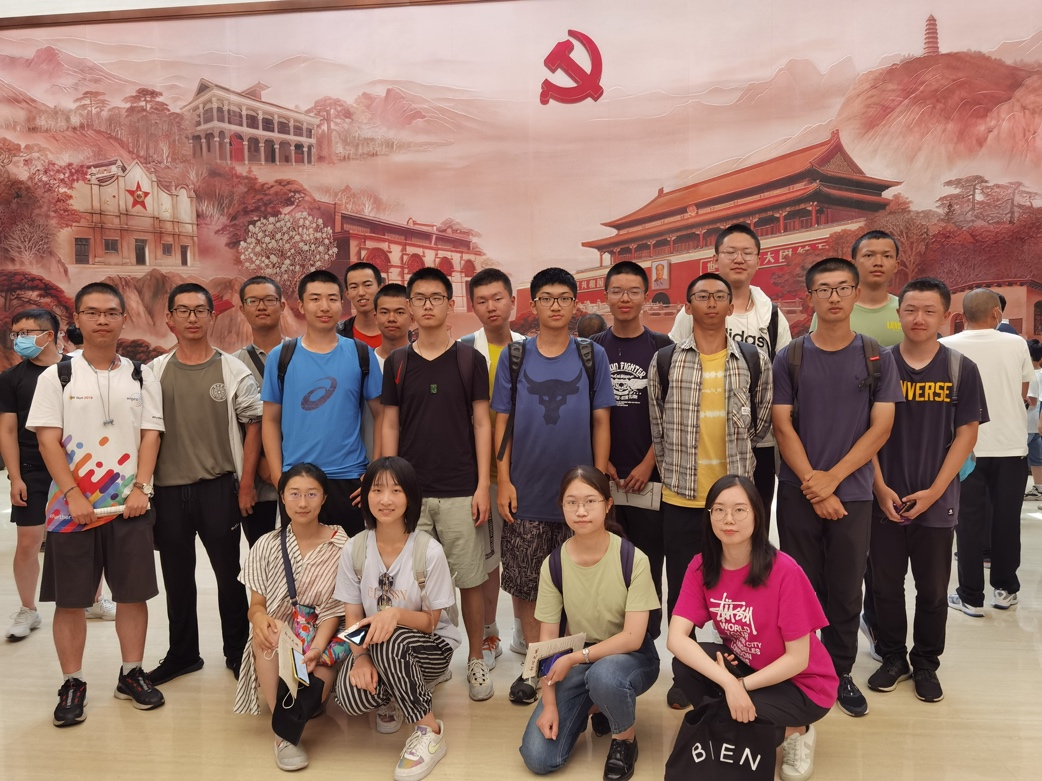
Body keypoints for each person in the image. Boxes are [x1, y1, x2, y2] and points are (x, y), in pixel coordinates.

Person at [26, 282, 165, 726]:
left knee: (133, 595)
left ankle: (131, 673)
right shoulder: (57, 376)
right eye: (92, 312)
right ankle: (73, 682)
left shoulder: (142, 375)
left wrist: (141, 487)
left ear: (123, 318)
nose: (102, 320)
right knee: (70, 601)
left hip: (130, 507)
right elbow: (47, 441)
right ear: (78, 319)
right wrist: (72, 494)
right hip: (71, 511)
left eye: (110, 312)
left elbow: (150, 435)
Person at [772, 258, 903, 718]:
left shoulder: (876, 355)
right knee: (799, 587)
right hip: (798, 492)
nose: (834, 297)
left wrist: (833, 480)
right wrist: (816, 485)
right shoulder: (790, 356)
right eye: (824, 289)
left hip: (855, 494)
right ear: (810, 297)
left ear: (856, 293)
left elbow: (881, 427)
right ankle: (804, 668)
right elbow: (782, 426)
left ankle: (840, 670)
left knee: (847, 589)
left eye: (843, 287)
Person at [649, 272, 772, 709]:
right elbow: (657, 428)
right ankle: (685, 677)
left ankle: (741, 671)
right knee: (684, 593)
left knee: (739, 592)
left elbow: (760, 424)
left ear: (730, 305)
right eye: (703, 296)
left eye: (720, 296)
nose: (713, 302)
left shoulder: (753, 360)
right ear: (688, 305)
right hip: (682, 498)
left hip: (734, 504)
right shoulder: (666, 360)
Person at [492, 267, 615, 705]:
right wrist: (503, 480)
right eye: (547, 298)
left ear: (575, 303)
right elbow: (501, 423)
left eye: (564, 297)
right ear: (535, 305)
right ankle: (534, 667)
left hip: (579, 497)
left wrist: (598, 486)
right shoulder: (514, 357)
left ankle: (572, 669)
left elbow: (602, 420)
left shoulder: (591, 355)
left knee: (580, 587)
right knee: (528, 585)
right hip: (526, 491)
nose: (556, 305)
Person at [668, 475, 837, 781]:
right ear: (709, 516)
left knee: (732, 718)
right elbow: (676, 639)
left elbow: (798, 659)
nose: (728, 519)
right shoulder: (701, 566)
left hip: (803, 685)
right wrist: (730, 684)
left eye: (739, 510)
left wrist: (740, 687)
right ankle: (735, 721)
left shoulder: (785, 571)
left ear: (757, 515)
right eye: (719, 510)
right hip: (748, 667)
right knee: (685, 666)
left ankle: (796, 731)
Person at [868, 278, 987, 704]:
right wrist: (879, 486)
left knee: (933, 590)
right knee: (884, 586)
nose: (919, 318)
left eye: (929, 311)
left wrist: (936, 491)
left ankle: (925, 663)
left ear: (945, 316)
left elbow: (966, 434)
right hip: (884, 498)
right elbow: (865, 433)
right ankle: (893, 657)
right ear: (898, 314)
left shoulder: (960, 368)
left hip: (937, 502)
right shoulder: (879, 366)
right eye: (911, 309)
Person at [382, 267, 494, 701]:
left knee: (470, 579)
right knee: (415, 583)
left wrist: (482, 485)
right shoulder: (397, 362)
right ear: (409, 307)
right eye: (419, 298)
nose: (427, 305)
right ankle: (431, 658)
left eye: (436, 298)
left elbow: (482, 423)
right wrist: (387, 483)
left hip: (461, 489)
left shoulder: (469, 360)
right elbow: (390, 424)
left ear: (450, 305)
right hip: (410, 494)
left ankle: (476, 659)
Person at [146, 283, 261, 685]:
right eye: (183, 310)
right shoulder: (153, 373)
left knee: (229, 577)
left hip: (218, 488)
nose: (192, 318)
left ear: (213, 316)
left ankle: (238, 652)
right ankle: (183, 655)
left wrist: (246, 484)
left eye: (200, 310)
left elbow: (253, 425)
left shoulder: (232, 370)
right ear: (170, 319)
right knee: (177, 579)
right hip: (168, 491)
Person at [519, 466, 659, 781]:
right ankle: (595, 706)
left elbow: (633, 637)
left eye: (590, 501)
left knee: (604, 675)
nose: (581, 511)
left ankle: (625, 740)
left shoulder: (633, 559)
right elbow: (548, 643)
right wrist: (549, 704)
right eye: (572, 502)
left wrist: (574, 658)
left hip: (631, 657)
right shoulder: (553, 564)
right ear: (562, 507)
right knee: (538, 757)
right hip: (582, 657)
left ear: (608, 504)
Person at [334, 457, 460, 781]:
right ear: (365, 496)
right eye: (377, 490)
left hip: (430, 647)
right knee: (348, 695)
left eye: (396, 490)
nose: (385, 499)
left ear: (410, 497)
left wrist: (395, 614)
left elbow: (431, 623)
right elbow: (353, 615)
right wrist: (360, 659)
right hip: (377, 645)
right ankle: (401, 689)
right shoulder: (354, 549)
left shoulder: (428, 550)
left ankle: (429, 731)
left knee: (390, 639)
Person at [667, 224, 792, 516]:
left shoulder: (772, 316)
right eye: (730, 252)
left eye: (747, 253)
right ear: (715, 259)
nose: (739, 259)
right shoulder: (691, 312)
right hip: (698, 440)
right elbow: (672, 366)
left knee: (749, 520)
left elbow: (782, 377)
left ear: (758, 259)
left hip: (756, 443)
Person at [234, 462, 347, 772]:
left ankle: (308, 702)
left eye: (312, 494)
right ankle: (283, 734)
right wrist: (259, 619)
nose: (303, 502)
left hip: (324, 636)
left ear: (324, 498)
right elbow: (256, 606)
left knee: (315, 689)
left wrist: (317, 647)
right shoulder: (267, 544)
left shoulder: (342, 545)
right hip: (283, 638)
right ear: (282, 497)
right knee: (267, 633)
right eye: (294, 494)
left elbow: (335, 612)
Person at [262, 270, 384, 535]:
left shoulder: (361, 354)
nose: (324, 306)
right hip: (297, 480)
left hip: (349, 479)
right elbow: (269, 420)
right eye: (315, 299)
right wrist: (279, 476)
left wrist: (374, 472)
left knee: (350, 558)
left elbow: (382, 416)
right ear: (301, 305)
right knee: (300, 559)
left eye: (332, 298)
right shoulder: (281, 357)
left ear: (342, 303)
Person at [590, 261, 671, 639]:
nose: (625, 298)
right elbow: (586, 413)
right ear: (606, 296)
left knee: (648, 561)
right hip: (602, 477)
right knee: (604, 560)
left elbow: (672, 413)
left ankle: (646, 639)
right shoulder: (592, 349)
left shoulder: (663, 348)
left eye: (634, 291)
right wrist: (601, 462)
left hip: (648, 478)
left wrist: (647, 463)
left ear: (645, 296)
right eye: (617, 291)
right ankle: (607, 635)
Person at [940, 288, 1033, 615]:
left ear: (963, 315)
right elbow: (1023, 392)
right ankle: (1005, 589)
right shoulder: (1016, 343)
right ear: (996, 313)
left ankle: (970, 595)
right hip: (1011, 445)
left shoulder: (946, 346)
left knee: (967, 522)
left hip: (964, 449)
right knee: (1007, 521)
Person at [461, 268, 526, 666]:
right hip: (481, 477)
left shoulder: (531, 349)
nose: (491, 307)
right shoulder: (463, 351)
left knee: (524, 557)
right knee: (487, 561)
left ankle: (523, 630)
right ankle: (488, 634)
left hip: (524, 475)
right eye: (482, 300)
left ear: (512, 301)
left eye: (498, 298)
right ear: (473, 306)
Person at [2, 309, 67, 641]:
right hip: (32, 468)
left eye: (26, 333)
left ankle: (95, 599)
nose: (19, 340)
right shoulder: (11, 378)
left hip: (75, 466)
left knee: (84, 537)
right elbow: (7, 430)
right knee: (28, 541)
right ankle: (28, 609)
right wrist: (15, 477)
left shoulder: (75, 371)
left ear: (49, 335)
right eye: (16, 334)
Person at [234, 275, 286, 546]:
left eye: (269, 300)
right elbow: (235, 425)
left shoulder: (302, 354)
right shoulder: (233, 364)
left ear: (283, 305)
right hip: (257, 484)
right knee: (262, 556)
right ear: (242, 308)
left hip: (301, 477)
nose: (262, 306)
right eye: (253, 301)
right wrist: (259, 465)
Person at [810, 230, 903, 347]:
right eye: (869, 255)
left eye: (887, 256)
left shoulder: (906, 311)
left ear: (896, 265)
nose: (878, 263)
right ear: (853, 264)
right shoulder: (832, 311)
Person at [337, 261, 384, 348]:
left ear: (380, 289)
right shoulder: (337, 334)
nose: (361, 293)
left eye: (367, 285)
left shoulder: (401, 333)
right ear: (347, 294)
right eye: (354, 287)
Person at [374, 283, 413, 369]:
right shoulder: (365, 362)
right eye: (384, 312)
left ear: (412, 318)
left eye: (399, 312)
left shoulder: (423, 361)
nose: (391, 319)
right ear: (375, 317)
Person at [1023, 339, 1042, 500]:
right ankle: (1039, 488)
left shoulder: (1032, 375)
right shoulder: (1040, 373)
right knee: (1036, 458)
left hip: (1028, 424)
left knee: (1020, 458)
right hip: (1035, 424)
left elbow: (1032, 401)